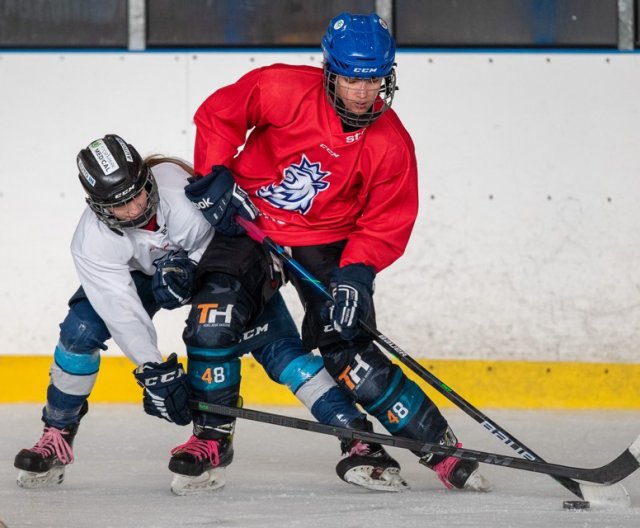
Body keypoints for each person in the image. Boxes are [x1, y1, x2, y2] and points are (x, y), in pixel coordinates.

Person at [185, 12, 491, 492]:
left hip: (326, 239)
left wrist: (357, 273)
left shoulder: (390, 144)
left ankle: (440, 448)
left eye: (374, 80)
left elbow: (386, 221)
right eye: (352, 78)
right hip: (251, 220)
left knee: (349, 347)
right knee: (212, 317)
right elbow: (219, 116)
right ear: (330, 70)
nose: (364, 92)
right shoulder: (282, 88)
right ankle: (211, 437)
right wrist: (213, 175)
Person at [13, 134, 372, 495]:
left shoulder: (181, 194)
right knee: (80, 331)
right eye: (120, 205)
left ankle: (357, 436)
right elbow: (119, 310)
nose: (136, 209)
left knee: (277, 350)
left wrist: (188, 268)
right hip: (144, 276)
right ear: (98, 206)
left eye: (138, 193)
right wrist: (151, 368)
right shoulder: (91, 240)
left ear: (147, 180)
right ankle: (57, 432)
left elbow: (223, 249)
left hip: (220, 263)